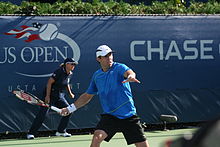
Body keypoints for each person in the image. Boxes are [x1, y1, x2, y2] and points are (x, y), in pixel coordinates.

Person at [61, 45, 150, 147]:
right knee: (97, 137)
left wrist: (131, 76)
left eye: (110, 55)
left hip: (128, 115)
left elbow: (129, 72)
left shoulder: (119, 67)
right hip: (110, 116)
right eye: (106, 56)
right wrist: (70, 108)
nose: (110, 58)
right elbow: (87, 96)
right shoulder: (97, 76)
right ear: (98, 59)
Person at [27, 58, 78, 139]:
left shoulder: (70, 73)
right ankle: (31, 133)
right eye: (72, 64)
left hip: (60, 96)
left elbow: (67, 83)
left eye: (74, 64)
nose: (73, 66)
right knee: (42, 114)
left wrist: (70, 93)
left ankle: (61, 131)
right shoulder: (59, 71)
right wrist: (47, 96)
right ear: (66, 64)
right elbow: (49, 83)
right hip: (50, 95)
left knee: (69, 111)